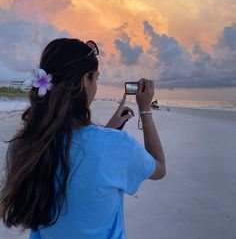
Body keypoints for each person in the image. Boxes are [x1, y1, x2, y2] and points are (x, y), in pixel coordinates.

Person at [0, 38, 166, 239]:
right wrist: (145, 109)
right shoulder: (115, 146)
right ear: (84, 80)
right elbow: (158, 168)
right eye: (95, 78)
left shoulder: (25, 144)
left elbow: (78, 152)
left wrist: (108, 130)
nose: (95, 85)